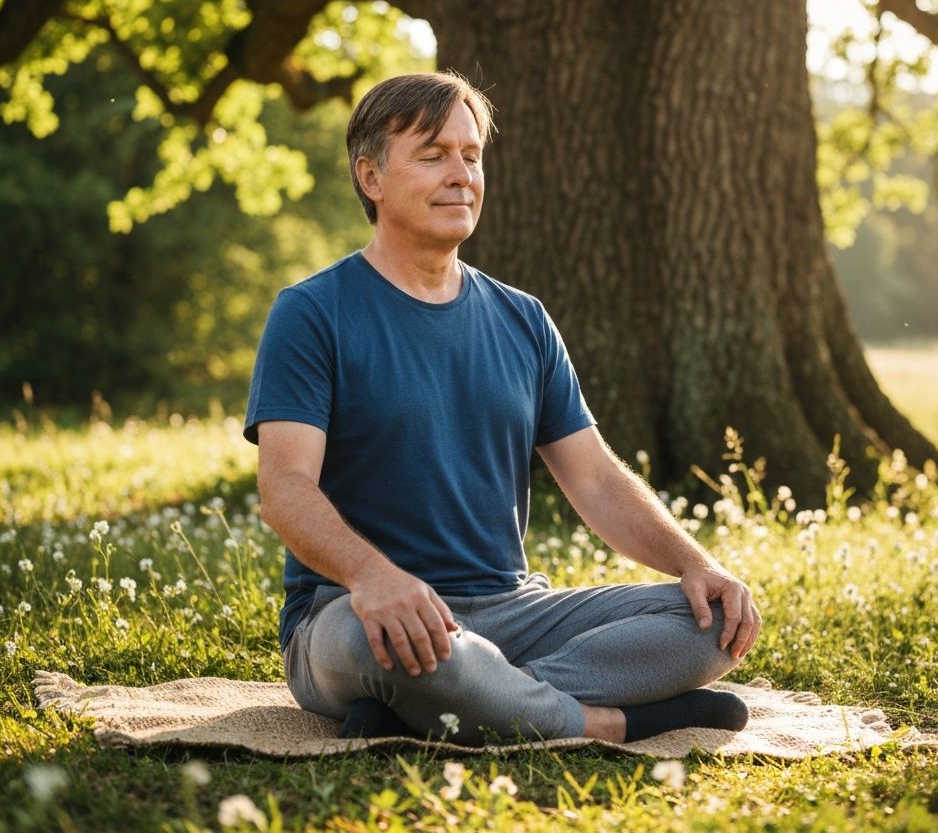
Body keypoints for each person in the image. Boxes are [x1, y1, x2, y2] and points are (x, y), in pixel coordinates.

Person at [244, 72, 761, 745]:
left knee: (711, 622)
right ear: (371, 177)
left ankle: (448, 702)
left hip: (513, 611)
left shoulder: (524, 320)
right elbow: (284, 489)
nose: (461, 174)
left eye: (471, 154)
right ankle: (600, 722)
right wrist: (373, 577)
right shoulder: (312, 313)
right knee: (385, 648)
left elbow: (598, 482)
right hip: (350, 613)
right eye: (432, 155)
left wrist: (698, 565)